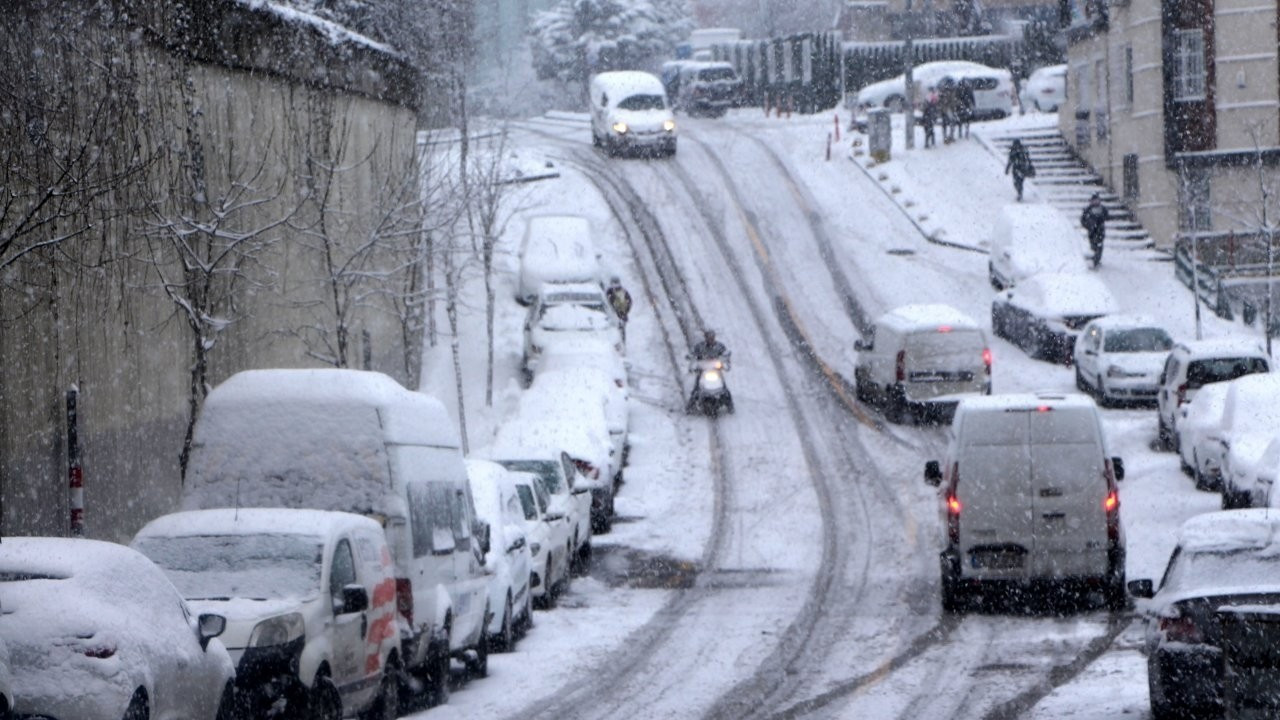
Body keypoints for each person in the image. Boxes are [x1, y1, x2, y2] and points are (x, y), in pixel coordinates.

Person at [1080, 193, 1110, 268]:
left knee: (1099, 245)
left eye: (1097, 200)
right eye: (1094, 201)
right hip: (1092, 231)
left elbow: (1107, 216)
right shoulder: (1088, 209)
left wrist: (1101, 219)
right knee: (1093, 245)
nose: (1096, 202)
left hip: (1100, 230)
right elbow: (1083, 220)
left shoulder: (1102, 209)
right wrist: (1088, 225)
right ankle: (1094, 258)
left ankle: (1097, 259)